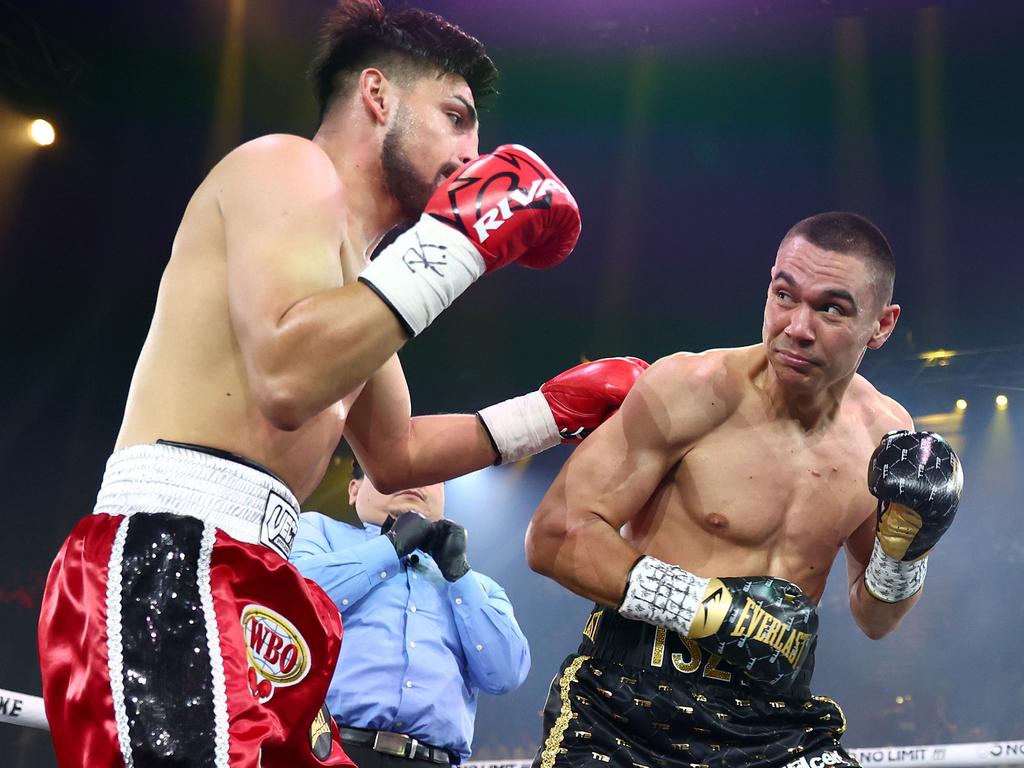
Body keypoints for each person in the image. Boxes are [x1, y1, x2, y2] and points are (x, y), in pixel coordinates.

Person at [34, 1, 648, 765]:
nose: (472, 155)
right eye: (455, 117)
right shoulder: (284, 167)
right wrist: (456, 244)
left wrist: (553, 411)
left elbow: (397, 454)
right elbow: (287, 382)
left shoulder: (356, 292)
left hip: (258, 574)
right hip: (172, 552)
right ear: (377, 94)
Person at [525, 212, 964, 768]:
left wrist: (909, 551)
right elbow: (554, 536)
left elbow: (875, 618)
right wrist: (714, 612)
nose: (797, 327)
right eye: (785, 295)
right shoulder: (690, 390)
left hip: (774, 724)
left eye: (831, 308)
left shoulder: (886, 436)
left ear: (881, 325)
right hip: (627, 708)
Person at [291, 459, 529, 767]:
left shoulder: (480, 586)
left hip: (435, 760)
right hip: (329, 751)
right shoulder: (318, 532)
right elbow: (295, 599)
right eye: (395, 469)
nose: (413, 480)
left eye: (430, 475)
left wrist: (460, 575)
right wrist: (390, 548)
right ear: (354, 489)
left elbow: (506, 673)